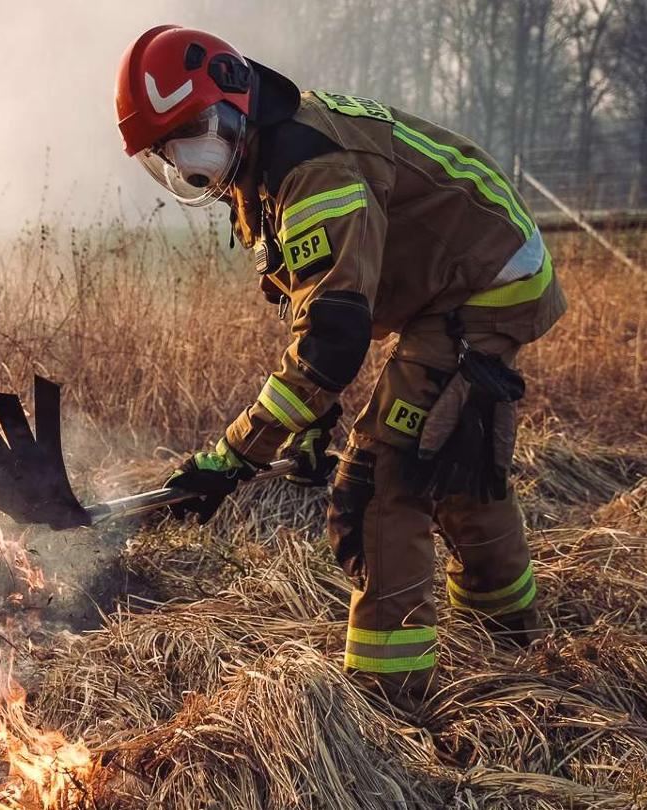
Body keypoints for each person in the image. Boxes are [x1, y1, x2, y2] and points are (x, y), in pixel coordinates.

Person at [114, 26, 565, 703]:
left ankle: (390, 700)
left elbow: (332, 341)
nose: (187, 159)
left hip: (485, 284)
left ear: (235, 95)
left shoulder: (311, 165)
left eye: (192, 130)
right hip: (460, 275)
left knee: (381, 480)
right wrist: (309, 421)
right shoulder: (256, 160)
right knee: (456, 459)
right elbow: (307, 299)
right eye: (168, 149)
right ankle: (513, 639)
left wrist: (234, 454)